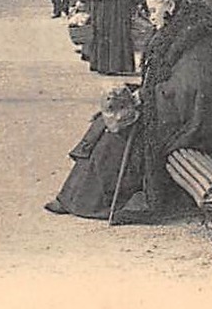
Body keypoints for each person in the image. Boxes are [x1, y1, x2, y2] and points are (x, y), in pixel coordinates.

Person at [126, 0, 212, 216]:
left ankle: (102, 195)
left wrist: (148, 97)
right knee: (113, 123)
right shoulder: (180, 29)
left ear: (171, 5)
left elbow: (192, 90)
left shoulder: (198, 39)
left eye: (154, 11)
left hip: (200, 126)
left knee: (124, 128)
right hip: (186, 112)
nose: (152, 18)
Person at [44, 84, 144, 220]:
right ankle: (71, 197)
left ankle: (92, 203)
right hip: (148, 104)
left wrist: (144, 95)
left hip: (166, 117)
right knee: (100, 124)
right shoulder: (162, 62)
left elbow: (175, 92)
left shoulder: (181, 66)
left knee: (110, 140)